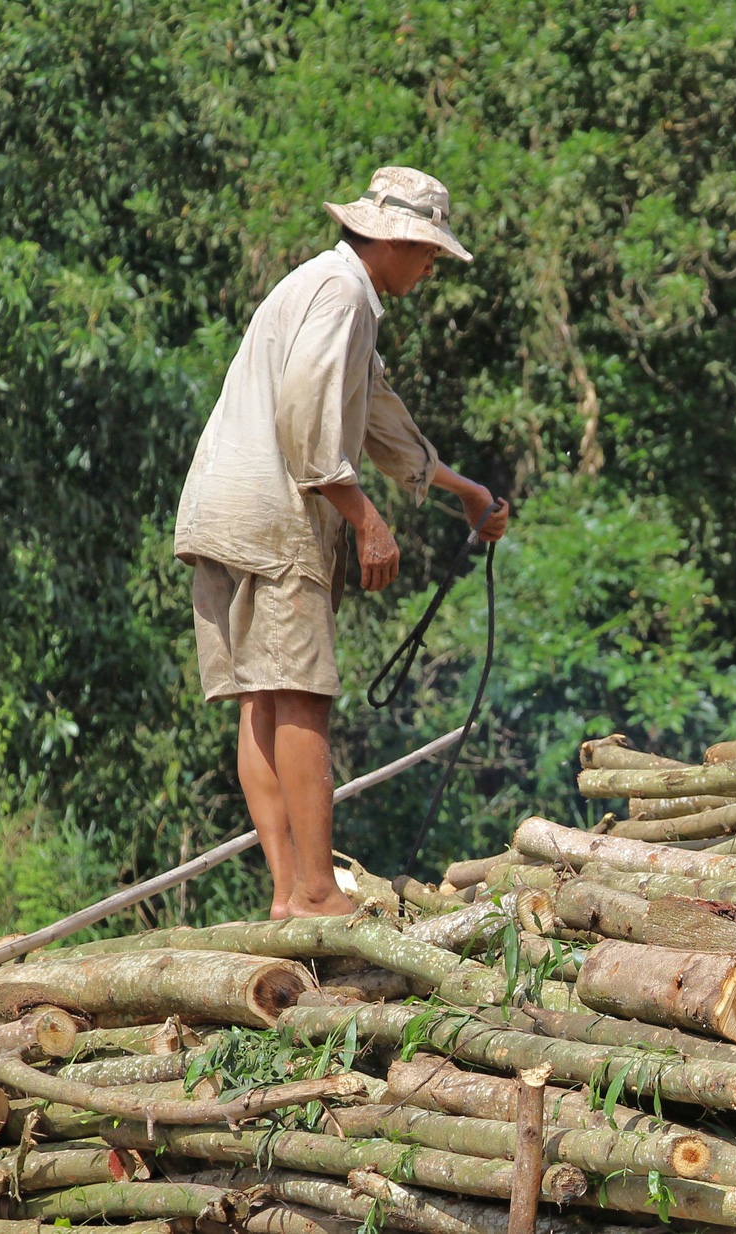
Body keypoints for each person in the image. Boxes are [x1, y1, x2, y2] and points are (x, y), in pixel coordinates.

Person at [174, 167, 509, 918]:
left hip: (221, 507)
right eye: (429, 253)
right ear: (395, 239)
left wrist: (467, 493)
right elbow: (308, 415)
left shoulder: (327, 286)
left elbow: (380, 418)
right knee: (301, 696)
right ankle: (320, 891)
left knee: (261, 700)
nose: (431, 267)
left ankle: (289, 894)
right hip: (275, 514)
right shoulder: (345, 293)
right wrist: (365, 518)